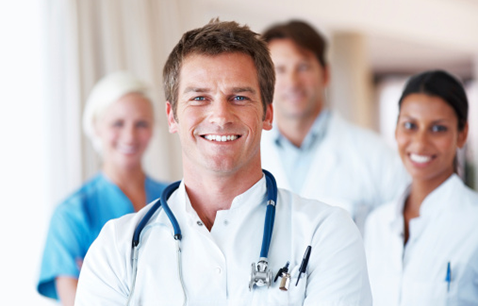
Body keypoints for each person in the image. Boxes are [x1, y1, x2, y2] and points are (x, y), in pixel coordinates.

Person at [74, 20, 372, 305]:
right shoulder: (117, 248)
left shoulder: (326, 234)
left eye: (239, 97)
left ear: (267, 114)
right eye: (199, 98)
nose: (220, 117)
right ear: (171, 116)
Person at [261, 20, 409, 230]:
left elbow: (403, 238)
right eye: (280, 70)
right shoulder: (247, 153)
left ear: (326, 74)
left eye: (303, 67)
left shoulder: (376, 156)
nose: (292, 82)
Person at [37, 71, 168, 305]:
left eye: (141, 124)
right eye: (117, 123)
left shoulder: (175, 199)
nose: (130, 135)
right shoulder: (71, 215)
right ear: (96, 127)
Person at [364, 70, 478, 305]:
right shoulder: (377, 224)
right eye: (410, 125)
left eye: (438, 128)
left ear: (462, 133)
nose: (420, 142)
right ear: (396, 130)